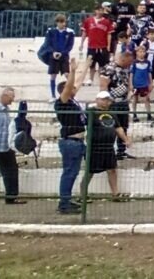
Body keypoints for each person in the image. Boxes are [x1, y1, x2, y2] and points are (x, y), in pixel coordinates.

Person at [82, 91, 133, 201]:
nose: (106, 102)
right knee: (90, 171)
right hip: (95, 146)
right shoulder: (91, 112)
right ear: (97, 100)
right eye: (103, 99)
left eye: (107, 99)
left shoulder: (112, 113)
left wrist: (125, 139)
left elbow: (118, 128)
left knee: (112, 169)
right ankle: (83, 194)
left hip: (109, 146)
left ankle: (115, 194)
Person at [55, 59, 88, 214]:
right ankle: (64, 203)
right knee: (69, 172)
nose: (75, 88)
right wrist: (72, 71)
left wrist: (87, 65)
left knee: (72, 172)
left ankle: (66, 200)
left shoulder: (73, 101)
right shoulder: (62, 102)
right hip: (71, 141)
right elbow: (70, 87)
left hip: (77, 141)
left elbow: (78, 83)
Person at [100, 53, 135, 160]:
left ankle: (121, 151)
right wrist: (105, 101)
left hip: (123, 102)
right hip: (113, 103)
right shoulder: (109, 68)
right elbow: (103, 85)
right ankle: (109, 151)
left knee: (123, 126)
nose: (130, 64)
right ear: (123, 59)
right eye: (129, 62)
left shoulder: (125, 69)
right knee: (112, 127)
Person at [80, 4, 114, 85]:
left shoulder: (106, 22)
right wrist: (81, 43)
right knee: (91, 64)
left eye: (101, 10)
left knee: (102, 64)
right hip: (91, 46)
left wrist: (109, 46)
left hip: (102, 46)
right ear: (95, 11)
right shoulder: (88, 21)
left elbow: (109, 34)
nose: (100, 12)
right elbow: (84, 32)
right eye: (98, 10)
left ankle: (101, 79)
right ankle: (90, 79)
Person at [44, 14, 75, 102]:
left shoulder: (70, 32)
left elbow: (70, 46)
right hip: (53, 56)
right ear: (57, 22)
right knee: (53, 75)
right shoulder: (51, 31)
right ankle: (53, 95)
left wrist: (62, 53)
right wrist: (53, 52)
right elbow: (47, 44)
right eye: (60, 22)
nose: (62, 24)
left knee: (67, 75)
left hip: (64, 56)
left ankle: (72, 94)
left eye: (63, 22)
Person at [130, 46, 154, 123]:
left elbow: (149, 73)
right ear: (136, 53)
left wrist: (151, 83)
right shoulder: (134, 62)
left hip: (145, 84)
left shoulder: (148, 62)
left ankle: (149, 115)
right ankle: (134, 114)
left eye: (143, 52)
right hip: (136, 84)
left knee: (146, 99)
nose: (142, 53)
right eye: (140, 51)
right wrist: (131, 84)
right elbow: (131, 74)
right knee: (135, 99)